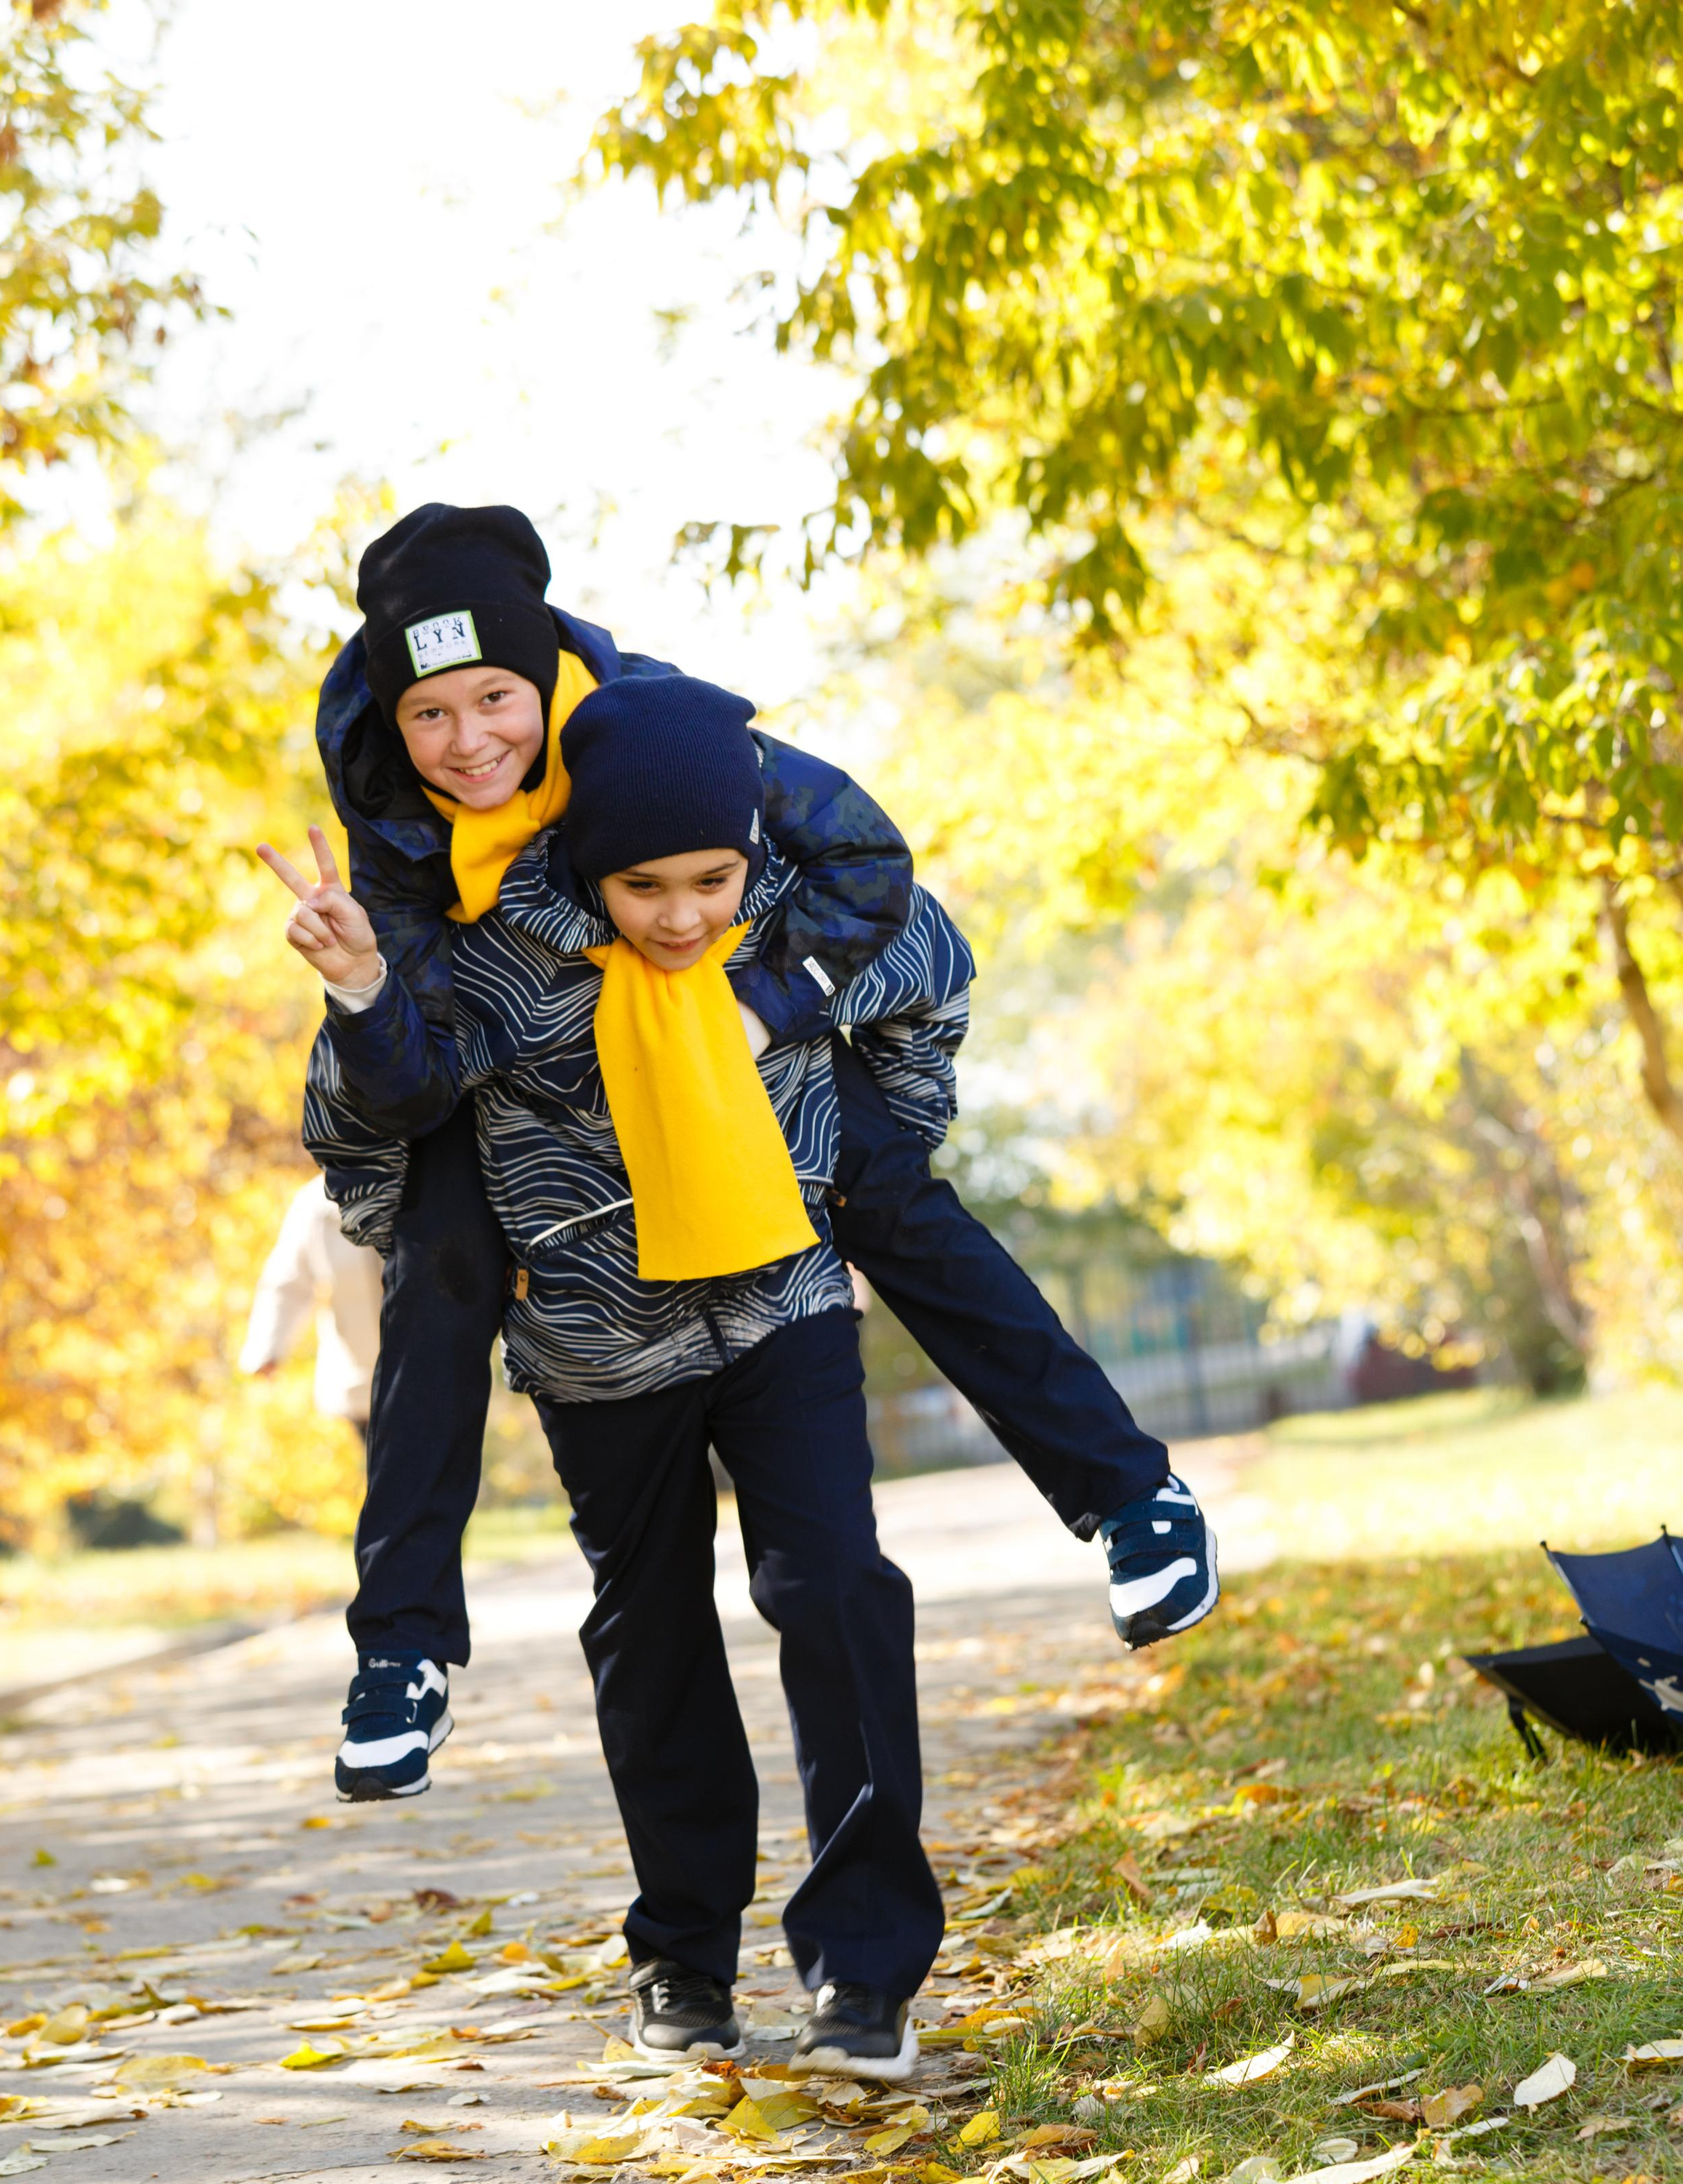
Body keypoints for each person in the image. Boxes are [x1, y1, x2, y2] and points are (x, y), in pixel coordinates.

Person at [262, 501, 1216, 1802]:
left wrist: (771, 1005)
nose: (468, 741)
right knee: (440, 1254)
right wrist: (367, 988)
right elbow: (421, 1077)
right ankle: (404, 1649)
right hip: (536, 1090)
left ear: (541, 672)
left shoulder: (659, 732)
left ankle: (1130, 1498)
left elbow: (872, 858)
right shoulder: (391, 823)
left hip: (747, 1043)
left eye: (495, 698)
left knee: (880, 1183)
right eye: (431, 713)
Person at [282, 674, 970, 2078]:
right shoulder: (488, 953)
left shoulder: (784, 904)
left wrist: (859, 1160)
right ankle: (683, 1962)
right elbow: (365, 1132)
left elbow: (928, 979)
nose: (680, 914)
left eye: (706, 881)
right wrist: (482, 1229)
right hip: (600, 1351)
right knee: (651, 1637)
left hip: (783, 1308)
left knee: (837, 1589)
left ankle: (865, 1971)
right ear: (589, 867)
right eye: (642, 886)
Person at [238, 1175, 383, 1458]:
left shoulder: (419, 1180)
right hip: (360, 1381)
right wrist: (267, 1349)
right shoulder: (314, 1204)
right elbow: (287, 1283)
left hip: (424, 1374)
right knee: (390, 1480)